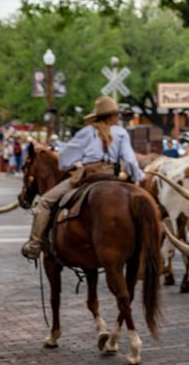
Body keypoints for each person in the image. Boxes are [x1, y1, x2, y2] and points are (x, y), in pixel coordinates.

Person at [20, 96, 144, 260]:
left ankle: (35, 245)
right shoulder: (121, 133)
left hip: (90, 177)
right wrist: (138, 178)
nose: (118, 118)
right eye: (117, 115)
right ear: (112, 116)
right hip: (112, 177)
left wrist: (71, 165)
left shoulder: (86, 133)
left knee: (45, 202)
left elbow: (64, 160)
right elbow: (129, 161)